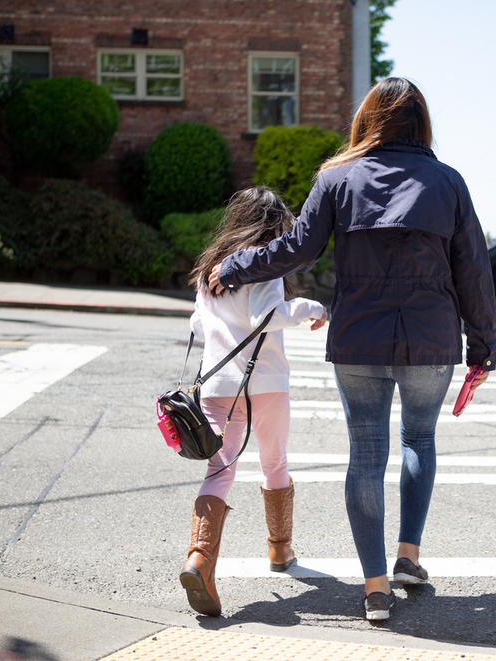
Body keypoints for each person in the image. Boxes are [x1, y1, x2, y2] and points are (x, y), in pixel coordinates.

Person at [208, 77, 496, 622]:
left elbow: (296, 250)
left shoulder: (337, 178)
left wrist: (233, 265)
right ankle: (409, 554)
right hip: (431, 337)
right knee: (420, 438)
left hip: (359, 336)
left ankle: (375, 587)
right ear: (421, 125)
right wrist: (482, 347)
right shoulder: (449, 183)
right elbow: (474, 271)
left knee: (366, 454)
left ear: (367, 121)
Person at [180, 186, 328, 617]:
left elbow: (200, 326)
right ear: (274, 226)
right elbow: (268, 316)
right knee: (274, 462)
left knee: (219, 470)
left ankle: (200, 560)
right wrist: (312, 309)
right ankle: (280, 550)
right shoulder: (265, 264)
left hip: (217, 385)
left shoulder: (211, 268)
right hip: (265, 382)